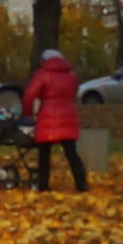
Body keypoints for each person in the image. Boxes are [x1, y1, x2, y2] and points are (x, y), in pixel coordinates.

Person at [27, 43, 84, 189]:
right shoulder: (71, 75)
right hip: (68, 114)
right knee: (71, 152)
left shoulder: (42, 74)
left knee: (44, 153)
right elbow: (74, 93)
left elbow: (29, 96)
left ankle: (43, 185)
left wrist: (26, 113)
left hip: (48, 115)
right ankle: (81, 183)